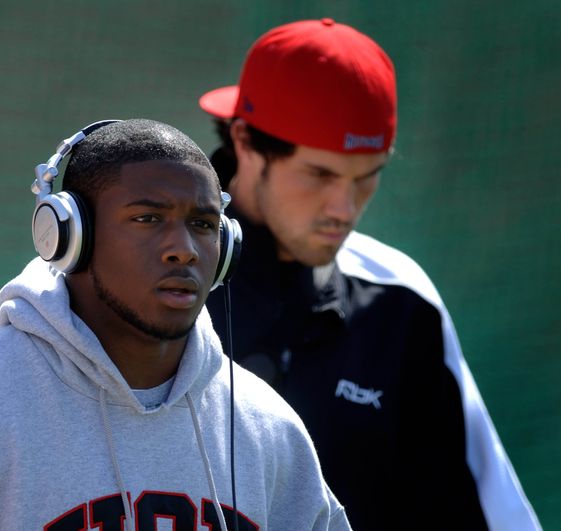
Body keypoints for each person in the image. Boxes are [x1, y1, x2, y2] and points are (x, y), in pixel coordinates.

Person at [0, 118, 351, 530]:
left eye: (204, 225)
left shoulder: (269, 432)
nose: (183, 250)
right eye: (147, 219)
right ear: (67, 236)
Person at [199, 19, 541, 531]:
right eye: (321, 174)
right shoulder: (141, 280)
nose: (345, 208)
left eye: (368, 176)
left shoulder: (401, 301)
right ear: (246, 142)